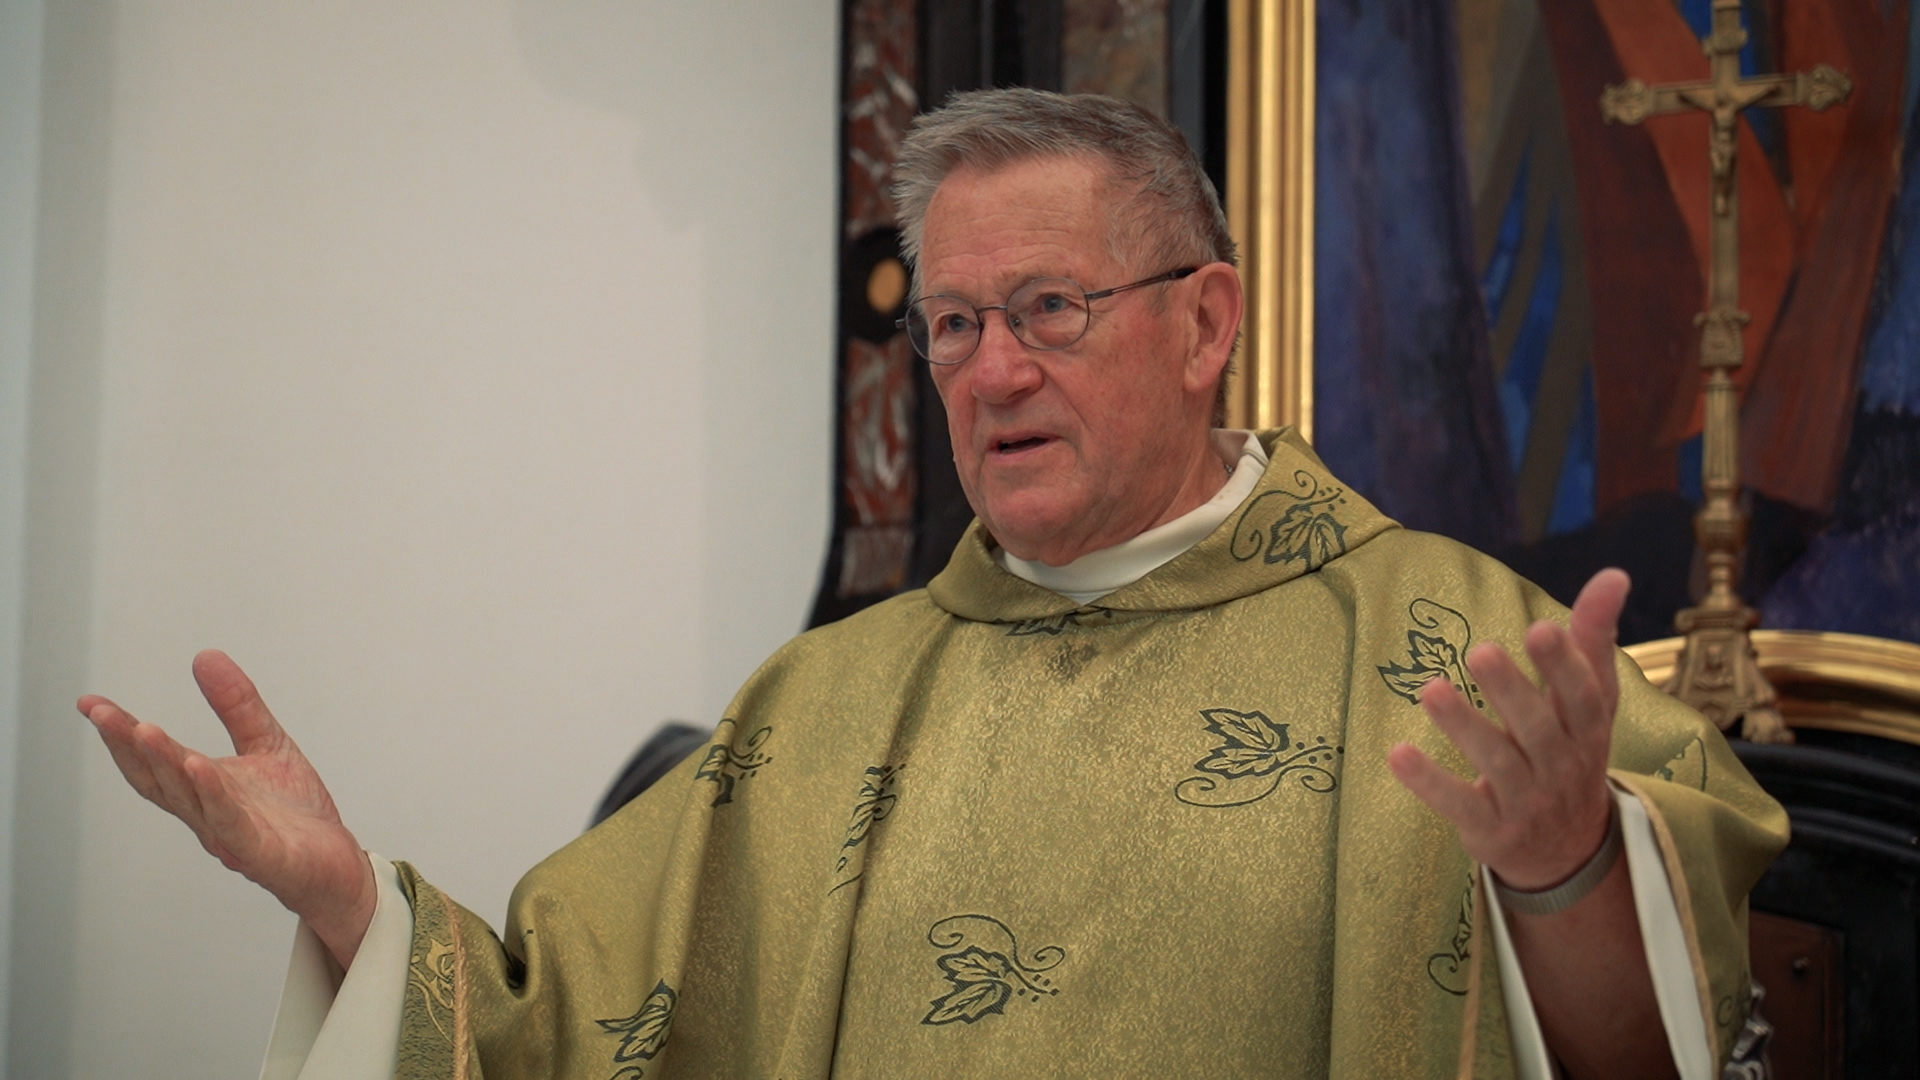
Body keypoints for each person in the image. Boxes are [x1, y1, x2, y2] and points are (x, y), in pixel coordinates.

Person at [80, 88, 1785, 1079]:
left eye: (1051, 308)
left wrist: (1568, 873)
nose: (988, 372)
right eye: (954, 325)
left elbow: (1663, 1053)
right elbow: (560, 1025)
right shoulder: (829, 701)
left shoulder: (1453, 644)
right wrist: (347, 904)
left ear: (1206, 324)